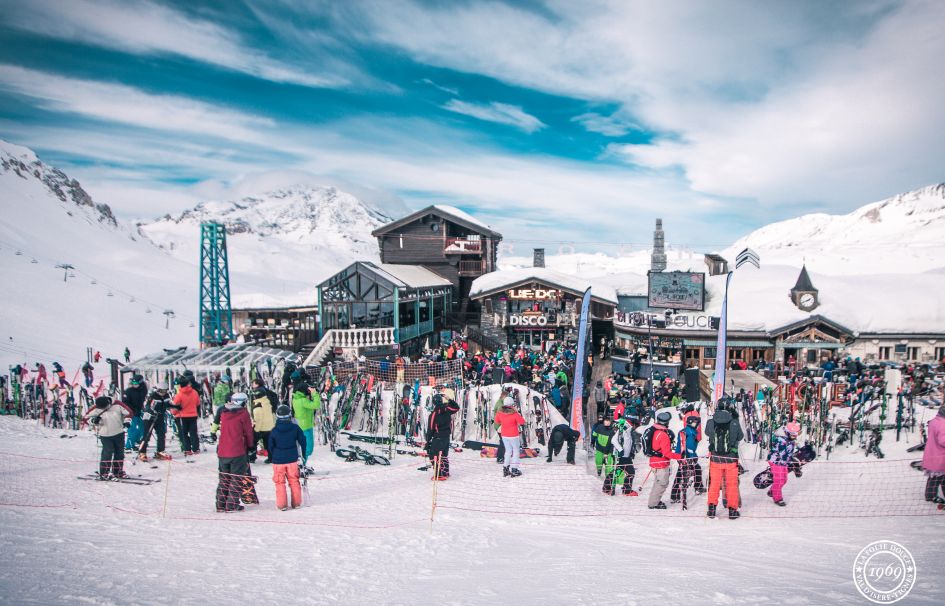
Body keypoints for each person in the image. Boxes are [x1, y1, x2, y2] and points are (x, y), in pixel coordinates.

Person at [215, 392, 255, 512]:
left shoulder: (224, 412)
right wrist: (251, 446)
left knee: (224, 478)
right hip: (237, 450)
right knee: (236, 478)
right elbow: (248, 432)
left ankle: (221, 504)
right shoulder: (243, 413)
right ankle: (232, 504)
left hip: (223, 450)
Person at [705, 404, 744, 519]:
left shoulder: (711, 422)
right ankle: (732, 510)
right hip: (731, 459)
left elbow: (707, 433)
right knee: (731, 485)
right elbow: (740, 437)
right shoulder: (734, 422)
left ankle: (711, 509)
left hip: (715, 459)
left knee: (714, 484)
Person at [268, 405, 306, 511]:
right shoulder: (295, 428)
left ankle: (282, 505)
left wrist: (273, 456)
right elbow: (303, 440)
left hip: (278, 460)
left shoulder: (274, 430)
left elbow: (270, 445)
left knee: (279, 482)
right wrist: (303, 454)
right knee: (294, 480)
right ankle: (297, 503)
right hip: (292, 459)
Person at [85, 396, 132, 479]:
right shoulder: (96, 408)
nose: (103, 409)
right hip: (105, 435)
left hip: (119, 433)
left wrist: (127, 422)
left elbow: (129, 413)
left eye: (104, 407)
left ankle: (118, 472)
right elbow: (85, 418)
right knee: (107, 453)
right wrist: (93, 421)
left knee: (119, 453)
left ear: (108, 403)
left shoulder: (117, 404)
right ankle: (104, 473)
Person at [646, 411, 681, 510]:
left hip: (654, 461)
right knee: (662, 483)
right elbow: (667, 453)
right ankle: (653, 504)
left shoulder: (655, 431)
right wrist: (679, 456)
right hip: (661, 463)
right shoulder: (663, 435)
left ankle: (654, 501)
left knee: (657, 482)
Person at [425, 391, 461, 480]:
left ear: (433, 403)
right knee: (444, 455)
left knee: (434, 455)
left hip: (438, 437)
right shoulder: (447, 409)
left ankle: (439, 474)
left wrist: (428, 440)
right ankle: (445, 472)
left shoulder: (434, 413)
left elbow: (430, 428)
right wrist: (448, 398)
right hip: (446, 437)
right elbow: (456, 408)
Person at [670, 414, 702, 503]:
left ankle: (675, 495)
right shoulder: (690, 433)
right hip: (686, 456)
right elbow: (689, 447)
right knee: (695, 470)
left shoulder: (687, 431)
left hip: (681, 456)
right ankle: (698, 488)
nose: (697, 424)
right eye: (696, 422)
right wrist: (693, 456)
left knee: (681, 474)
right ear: (691, 423)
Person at [768, 421, 801, 506]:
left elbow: (789, 452)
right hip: (776, 461)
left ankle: (773, 490)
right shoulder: (781, 440)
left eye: (796, 435)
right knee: (778, 480)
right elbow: (784, 455)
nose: (794, 437)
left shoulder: (790, 440)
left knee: (784, 479)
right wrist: (792, 462)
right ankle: (778, 498)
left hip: (783, 462)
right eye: (793, 435)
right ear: (787, 433)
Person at [291, 381, 321, 470]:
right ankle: (301, 465)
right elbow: (316, 405)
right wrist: (315, 394)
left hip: (300, 425)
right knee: (308, 448)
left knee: (302, 447)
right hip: (306, 427)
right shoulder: (303, 400)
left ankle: (301, 464)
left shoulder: (296, 398)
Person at [138, 386, 173, 462]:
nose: (163, 393)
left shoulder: (166, 396)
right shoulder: (153, 396)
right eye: (161, 391)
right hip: (149, 417)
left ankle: (160, 451)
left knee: (161, 433)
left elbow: (167, 404)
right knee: (147, 435)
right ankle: (142, 452)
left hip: (159, 417)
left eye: (165, 391)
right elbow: (147, 406)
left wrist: (175, 406)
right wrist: (152, 411)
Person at [606, 417, 639, 496]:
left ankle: (626, 490)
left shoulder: (629, 431)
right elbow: (613, 440)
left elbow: (628, 443)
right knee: (617, 472)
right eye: (635, 425)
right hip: (620, 456)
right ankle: (608, 488)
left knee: (629, 472)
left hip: (626, 457)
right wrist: (620, 449)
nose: (635, 427)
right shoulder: (622, 430)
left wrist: (631, 452)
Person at [493, 400, 526, 477]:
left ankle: (505, 468)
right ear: (512, 405)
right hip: (514, 435)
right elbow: (522, 422)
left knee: (508, 451)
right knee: (516, 452)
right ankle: (514, 469)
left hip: (504, 434)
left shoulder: (499, 413)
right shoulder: (514, 414)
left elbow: (497, 421)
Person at [171, 376, 201, 456]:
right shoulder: (194, 392)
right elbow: (198, 403)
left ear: (180, 385)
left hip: (181, 417)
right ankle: (196, 448)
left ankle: (187, 449)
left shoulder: (179, 395)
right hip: (193, 415)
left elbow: (174, 407)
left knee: (183, 433)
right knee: (193, 433)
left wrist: (173, 413)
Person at [922, 405, 945, 504]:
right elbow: (943, 440)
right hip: (940, 456)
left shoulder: (934, 421)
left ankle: (930, 495)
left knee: (935, 477)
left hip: (932, 453)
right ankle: (930, 496)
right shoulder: (943, 424)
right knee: (939, 477)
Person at [251, 385, 276, 463]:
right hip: (270, 427)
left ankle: (252, 457)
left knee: (253, 442)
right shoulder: (267, 402)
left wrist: (256, 430)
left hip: (261, 428)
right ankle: (271, 457)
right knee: (268, 444)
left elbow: (258, 419)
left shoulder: (258, 405)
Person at [123, 373, 147, 451]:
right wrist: (133, 409)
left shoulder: (143, 390)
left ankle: (138, 439)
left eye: (136, 383)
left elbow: (142, 400)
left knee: (143, 427)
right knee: (133, 428)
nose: (134, 385)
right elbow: (125, 402)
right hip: (130, 412)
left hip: (139, 411)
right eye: (133, 383)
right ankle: (129, 445)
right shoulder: (128, 391)